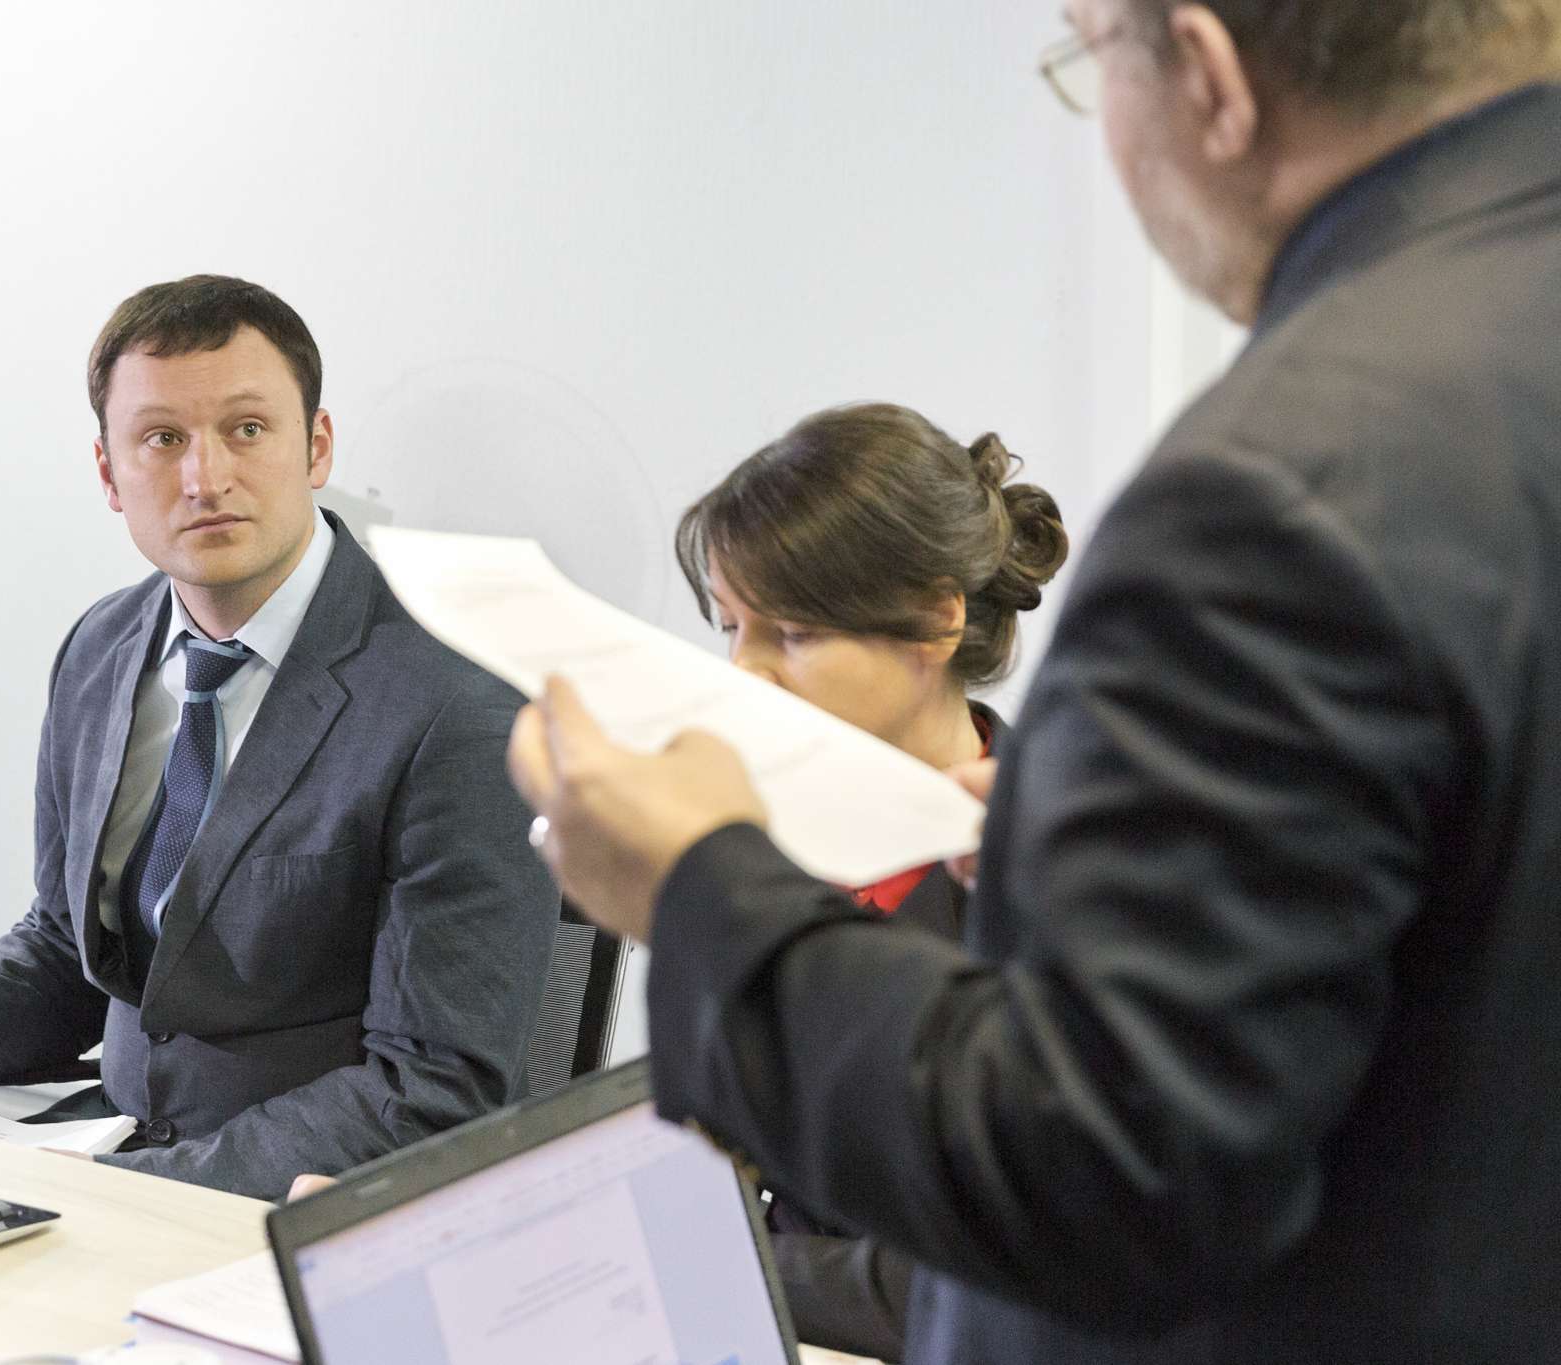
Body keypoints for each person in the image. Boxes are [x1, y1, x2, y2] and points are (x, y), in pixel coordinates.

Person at [507, 2, 1561, 1361]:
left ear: (1208, 76)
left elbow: (1099, 1176)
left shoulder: (1285, 484)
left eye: (1085, 58)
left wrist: (700, 889)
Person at [0, 275, 557, 1199]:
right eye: (163, 439)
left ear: (316, 446)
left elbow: (432, 1089)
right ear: (108, 473)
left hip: (292, 1205)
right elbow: (72, 945)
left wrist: (133, 1187)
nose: (206, 479)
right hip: (108, 1152)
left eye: (247, 429)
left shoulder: (458, 704)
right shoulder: (100, 648)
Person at [676, 404, 1066, 1358]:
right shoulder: (760, 846)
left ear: (937, 616)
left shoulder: (1057, 876)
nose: (744, 676)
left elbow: (977, 1278)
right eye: (732, 628)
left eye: (793, 633)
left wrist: (712, 1261)